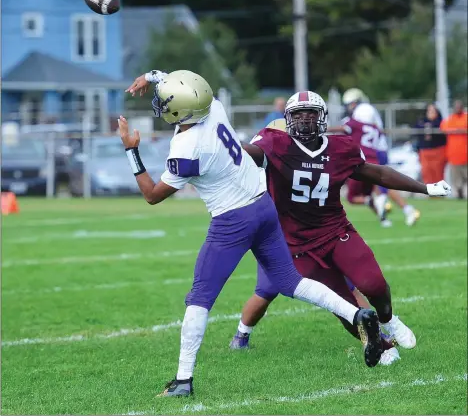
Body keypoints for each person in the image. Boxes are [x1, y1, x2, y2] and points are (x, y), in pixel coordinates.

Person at [120, 70, 384, 397]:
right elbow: (188, 87)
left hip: (232, 220)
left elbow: (152, 194)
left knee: (200, 296)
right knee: (291, 282)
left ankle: (183, 381)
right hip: (263, 207)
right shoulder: (213, 108)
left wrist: (131, 150)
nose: (160, 103)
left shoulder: (186, 145)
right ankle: (358, 313)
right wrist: (153, 76)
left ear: (180, 110)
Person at [228, 90, 451, 365]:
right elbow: (242, 154)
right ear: (287, 119)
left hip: (335, 231)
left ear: (322, 118)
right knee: (345, 307)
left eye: (310, 113)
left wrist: (425, 188)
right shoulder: (274, 144)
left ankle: (390, 320)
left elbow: (378, 172)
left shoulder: (340, 148)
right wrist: (221, 144)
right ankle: (380, 345)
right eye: (298, 114)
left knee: (374, 284)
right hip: (297, 246)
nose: (304, 120)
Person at [330, 89, 419, 227]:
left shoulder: (363, 111)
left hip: (372, 151)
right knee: (375, 187)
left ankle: (398, 207)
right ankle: (385, 214)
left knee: (381, 185)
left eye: (351, 104)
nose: (349, 107)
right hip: (374, 150)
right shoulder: (362, 114)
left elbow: (356, 130)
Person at [440, 100, 468, 199]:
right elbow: (443, 127)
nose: (458, 109)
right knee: (457, 178)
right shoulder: (451, 119)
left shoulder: (466, 117)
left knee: (465, 176)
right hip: (454, 155)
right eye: (456, 107)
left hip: (466, 154)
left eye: (459, 107)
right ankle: (459, 193)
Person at [414, 103, 447, 185]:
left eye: (433, 111)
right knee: (426, 172)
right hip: (425, 151)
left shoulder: (441, 122)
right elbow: (416, 129)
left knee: (438, 173)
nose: (431, 113)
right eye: (429, 111)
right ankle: (430, 193)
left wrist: (430, 126)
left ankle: (440, 194)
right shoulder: (421, 122)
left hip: (438, 150)